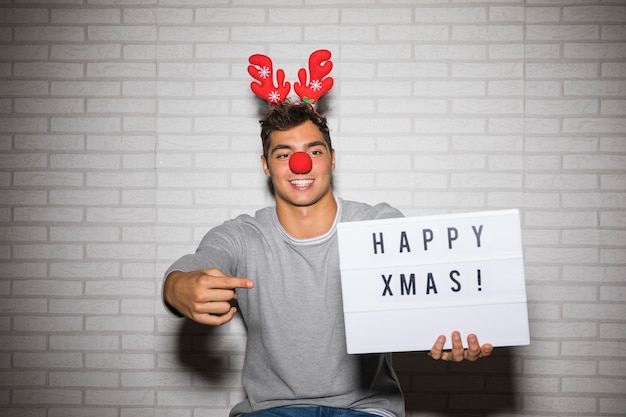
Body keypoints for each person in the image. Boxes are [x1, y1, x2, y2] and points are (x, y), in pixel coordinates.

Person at [163, 99, 493, 417]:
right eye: (284, 153)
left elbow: (421, 291)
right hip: (270, 409)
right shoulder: (242, 236)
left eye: (314, 151)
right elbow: (200, 262)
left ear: (332, 159)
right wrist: (177, 286)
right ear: (265, 165)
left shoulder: (377, 225)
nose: (300, 164)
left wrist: (449, 329)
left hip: (366, 409)